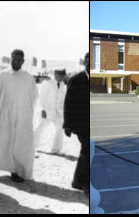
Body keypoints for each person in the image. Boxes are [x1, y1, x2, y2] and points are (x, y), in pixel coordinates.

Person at [0, 49, 37, 183]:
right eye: (14, 59)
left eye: (19, 60)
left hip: (21, 115)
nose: (16, 62)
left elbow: (33, 96)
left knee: (16, 143)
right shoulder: (2, 75)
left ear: (23, 61)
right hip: (3, 114)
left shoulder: (28, 77)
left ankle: (14, 171)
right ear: (10, 59)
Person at [64, 53, 90, 195]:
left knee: (85, 151)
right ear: (84, 62)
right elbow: (68, 103)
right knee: (86, 149)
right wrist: (67, 125)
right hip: (81, 123)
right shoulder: (76, 80)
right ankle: (85, 184)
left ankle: (77, 181)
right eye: (88, 61)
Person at [33, 68, 67, 154]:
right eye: (60, 75)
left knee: (59, 129)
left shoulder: (63, 85)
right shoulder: (47, 83)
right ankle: (32, 146)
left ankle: (56, 148)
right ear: (55, 74)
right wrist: (42, 109)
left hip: (58, 112)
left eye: (63, 75)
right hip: (47, 110)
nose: (61, 77)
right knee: (40, 128)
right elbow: (41, 97)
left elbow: (63, 99)